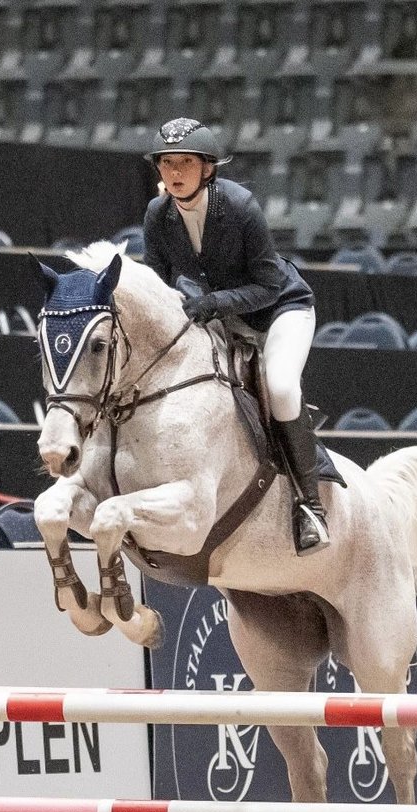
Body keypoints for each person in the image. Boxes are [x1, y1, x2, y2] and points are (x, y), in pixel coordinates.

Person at [141, 117, 329, 556]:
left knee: (281, 388)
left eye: (185, 162)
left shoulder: (241, 207)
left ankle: (310, 508)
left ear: (208, 168)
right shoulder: (158, 215)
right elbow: (156, 284)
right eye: (167, 163)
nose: (175, 172)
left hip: (281, 311)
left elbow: (267, 286)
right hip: (224, 317)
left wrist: (213, 303)